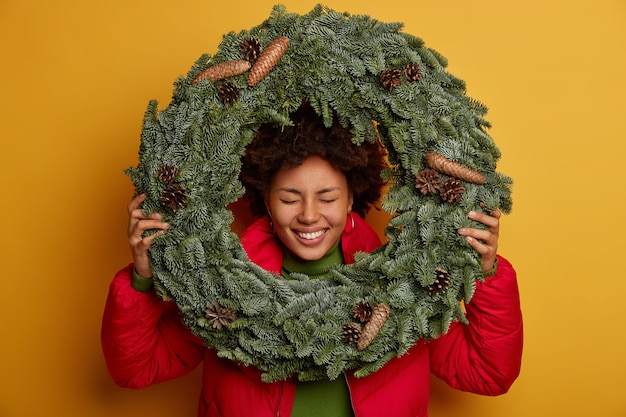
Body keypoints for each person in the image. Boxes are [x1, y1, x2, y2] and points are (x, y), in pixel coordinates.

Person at [101, 104, 523, 417]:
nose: (308, 215)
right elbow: (136, 369)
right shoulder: (222, 290)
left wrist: (484, 275)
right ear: (265, 200)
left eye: (327, 198)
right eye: (289, 198)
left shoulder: (405, 287)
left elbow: (487, 373)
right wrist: (142, 278)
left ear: (353, 197)